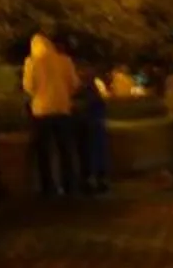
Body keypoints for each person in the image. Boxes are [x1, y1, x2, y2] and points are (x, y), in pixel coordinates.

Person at [22, 32, 81, 198]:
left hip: (41, 111)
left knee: (44, 151)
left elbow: (28, 86)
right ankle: (70, 185)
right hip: (62, 108)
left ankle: (48, 187)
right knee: (65, 150)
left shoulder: (31, 62)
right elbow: (74, 84)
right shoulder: (64, 60)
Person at [76, 68, 113, 194]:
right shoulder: (94, 94)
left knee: (89, 154)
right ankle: (99, 179)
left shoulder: (82, 93)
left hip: (88, 128)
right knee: (97, 153)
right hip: (95, 128)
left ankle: (90, 179)